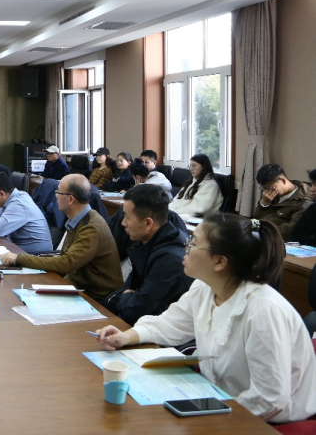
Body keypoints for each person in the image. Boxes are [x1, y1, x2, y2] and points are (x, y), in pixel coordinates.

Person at [95, 215, 316, 423]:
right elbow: (170, 324)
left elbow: (270, 399)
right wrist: (127, 336)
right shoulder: (205, 288)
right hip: (221, 399)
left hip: (270, 420)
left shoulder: (263, 310)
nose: (185, 248)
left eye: (193, 243)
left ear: (219, 261)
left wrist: (209, 411)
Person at [0, 174, 123, 299]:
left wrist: (19, 258)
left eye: (58, 192)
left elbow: (67, 263)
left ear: (70, 199)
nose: (56, 196)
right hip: (78, 285)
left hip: (97, 296)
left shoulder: (91, 227)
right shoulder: (78, 220)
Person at [104, 184, 192, 325]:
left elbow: (134, 312)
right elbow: (126, 293)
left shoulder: (170, 260)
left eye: (127, 217)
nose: (123, 223)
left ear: (148, 223)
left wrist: (124, 298)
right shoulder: (147, 243)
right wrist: (125, 297)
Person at [252, 164, 312, 238]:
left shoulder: (303, 201)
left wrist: (262, 229)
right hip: (261, 233)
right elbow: (256, 216)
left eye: (268, 187)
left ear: (282, 180)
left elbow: (290, 230)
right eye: (264, 188)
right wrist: (263, 204)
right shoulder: (273, 194)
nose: (266, 191)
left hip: (275, 239)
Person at [289, 168, 316, 245]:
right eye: (312, 184)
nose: (312, 189)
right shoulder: (312, 209)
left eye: (315, 184)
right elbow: (296, 235)